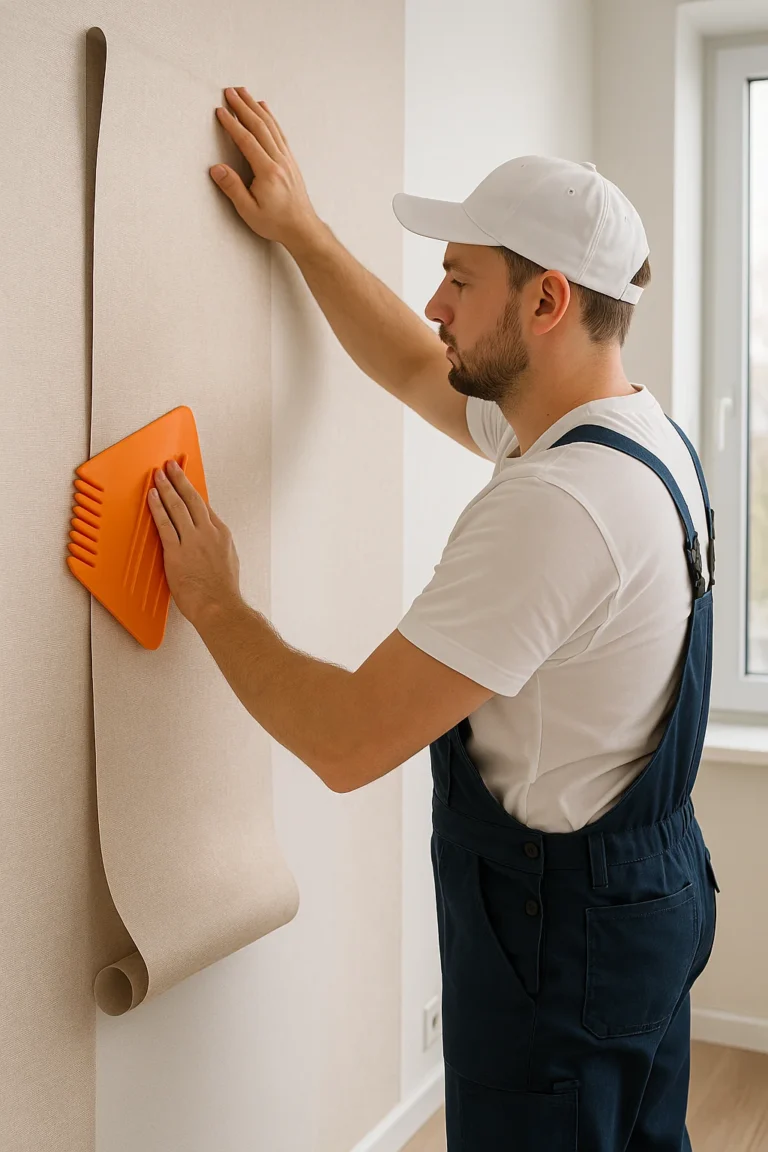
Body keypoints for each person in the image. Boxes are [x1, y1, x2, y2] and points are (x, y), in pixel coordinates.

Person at [148, 87, 720, 1150]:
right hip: (649, 898)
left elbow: (347, 740)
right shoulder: (635, 438)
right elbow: (420, 371)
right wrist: (304, 232)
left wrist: (218, 602)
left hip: (563, 952)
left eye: (460, 277)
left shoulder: (559, 508)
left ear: (547, 300)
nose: (435, 303)